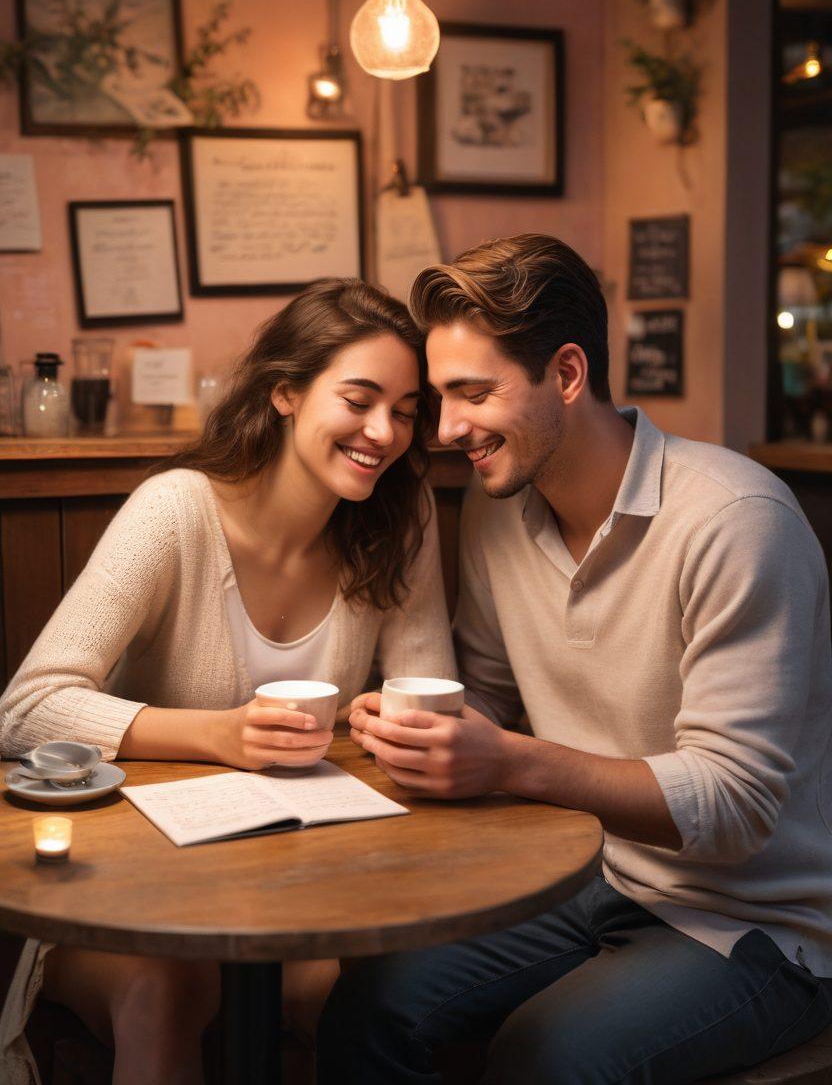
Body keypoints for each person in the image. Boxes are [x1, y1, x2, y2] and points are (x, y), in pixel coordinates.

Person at [320, 234, 832, 1084]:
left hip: (754, 924)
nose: (445, 430)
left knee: (543, 1057)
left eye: (473, 393)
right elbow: (489, 696)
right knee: (369, 1002)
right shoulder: (498, 506)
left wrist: (509, 760)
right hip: (589, 879)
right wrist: (423, 730)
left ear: (566, 373)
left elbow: (735, 805)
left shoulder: (737, 520)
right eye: (441, 398)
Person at [0, 278, 455, 1085]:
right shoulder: (176, 510)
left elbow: (432, 700)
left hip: (312, 881)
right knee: (164, 992)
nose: (383, 433)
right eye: (359, 400)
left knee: (359, 999)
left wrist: (400, 726)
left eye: (406, 410)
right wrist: (219, 734)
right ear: (285, 392)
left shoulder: (398, 518)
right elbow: (28, 707)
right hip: (134, 887)